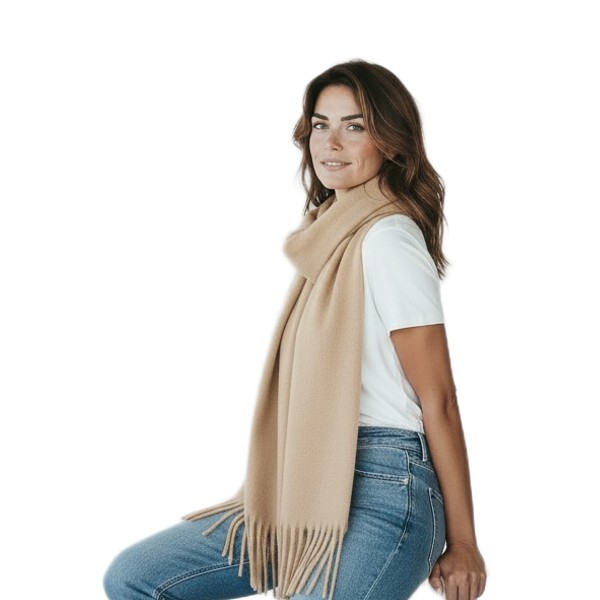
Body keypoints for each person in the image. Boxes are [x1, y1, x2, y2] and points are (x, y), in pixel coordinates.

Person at [104, 59, 487, 600]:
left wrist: (464, 542)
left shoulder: (388, 240)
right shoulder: (327, 237)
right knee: (137, 577)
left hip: (388, 484)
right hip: (304, 479)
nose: (331, 142)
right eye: (320, 124)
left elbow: (438, 397)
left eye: (354, 126)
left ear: (391, 142)